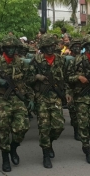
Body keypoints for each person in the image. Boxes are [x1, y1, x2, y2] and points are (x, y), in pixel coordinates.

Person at [0, 35, 34, 172]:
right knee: (3, 129)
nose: (11, 50)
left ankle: (13, 147)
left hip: (18, 99)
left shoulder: (21, 63)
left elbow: (27, 83)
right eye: (8, 48)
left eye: (14, 47)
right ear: (4, 49)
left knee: (22, 128)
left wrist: (30, 98)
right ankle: (5, 158)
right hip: (3, 99)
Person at [28, 34, 69, 168]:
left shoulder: (60, 60)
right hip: (42, 97)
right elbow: (27, 78)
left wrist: (67, 93)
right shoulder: (36, 60)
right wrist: (37, 77)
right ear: (43, 47)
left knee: (58, 126)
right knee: (44, 127)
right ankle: (45, 153)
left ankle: (49, 142)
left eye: (52, 46)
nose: (51, 48)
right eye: (48, 46)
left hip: (56, 96)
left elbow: (66, 78)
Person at [67, 34, 90, 165]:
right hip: (81, 97)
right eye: (88, 45)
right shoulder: (77, 60)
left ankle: (85, 141)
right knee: (83, 125)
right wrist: (78, 77)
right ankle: (87, 149)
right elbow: (68, 78)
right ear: (84, 47)